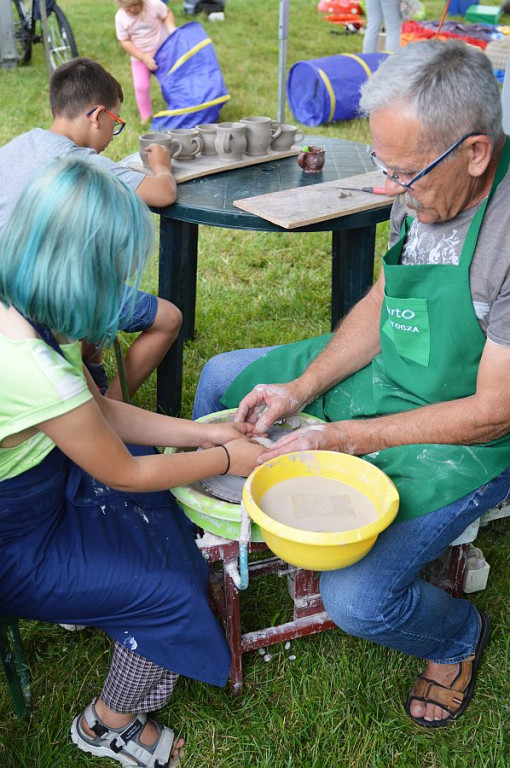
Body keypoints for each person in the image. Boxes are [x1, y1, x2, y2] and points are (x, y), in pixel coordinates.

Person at [193, 39, 510, 727]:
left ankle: (457, 638)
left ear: (477, 152)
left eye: (405, 173)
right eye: (384, 167)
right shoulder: (423, 177)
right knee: (223, 376)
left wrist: (345, 439)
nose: (392, 187)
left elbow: (492, 412)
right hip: (393, 368)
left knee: (359, 601)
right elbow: (384, 299)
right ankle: (217, 555)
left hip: (470, 432)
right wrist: (301, 393)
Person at [0, 156, 266, 767]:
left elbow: (106, 418)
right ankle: (107, 723)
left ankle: (95, 597)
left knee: (157, 497)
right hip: (16, 544)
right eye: (116, 269)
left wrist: (205, 438)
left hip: (43, 487)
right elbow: (121, 470)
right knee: (171, 590)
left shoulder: (29, 305)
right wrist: (227, 454)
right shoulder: (33, 369)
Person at [0, 57, 181, 401]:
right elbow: (164, 194)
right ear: (98, 116)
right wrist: (160, 166)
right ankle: (109, 408)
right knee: (168, 318)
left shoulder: (16, 147)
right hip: (40, 297)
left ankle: (92, 379)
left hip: (7, 294)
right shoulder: (83, 164)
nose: (113, 136)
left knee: (90, 287)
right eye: (115, 124)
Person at [115, 0, 177, 123]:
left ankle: (177, 107)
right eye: (128, 7)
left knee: (172, 82)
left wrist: (171, 28)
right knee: (140, 87)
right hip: (140, 57)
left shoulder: (154, 4)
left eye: (136, 5)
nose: (133, 9)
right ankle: (146, 116)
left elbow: (167, 13)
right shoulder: (121, 17)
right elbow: (125, 41)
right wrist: (143, 56)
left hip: (163, 53)